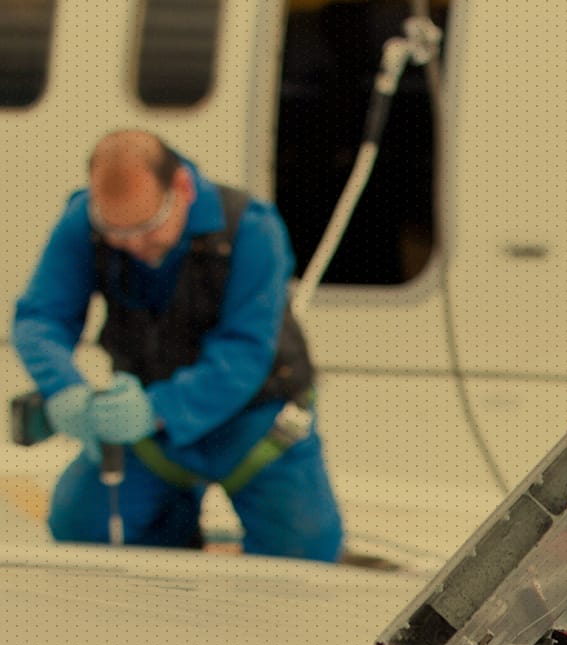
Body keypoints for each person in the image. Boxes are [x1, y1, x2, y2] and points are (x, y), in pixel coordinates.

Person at [12, 129, 344, 560]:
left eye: (146, 227)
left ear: (182, 188)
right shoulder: (82, 221)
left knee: (305, 552)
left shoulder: (252, 228)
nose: (131, 243)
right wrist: (64, 389)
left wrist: (157, 410)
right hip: (147, 430)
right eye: (114, 232)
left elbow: (244, 353)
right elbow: (41, 317)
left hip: (254, 420)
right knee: (82, 524)